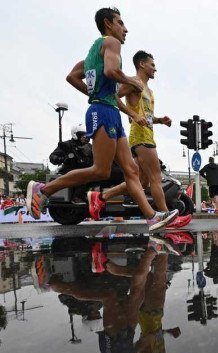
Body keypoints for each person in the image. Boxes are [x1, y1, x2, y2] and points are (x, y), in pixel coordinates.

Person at [27, 7, 177, 231]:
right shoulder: (111, 43)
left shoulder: (91, 54)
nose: (125, 29)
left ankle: (152, 217)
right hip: (102, 112)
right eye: (121, 23)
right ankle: (44, 189)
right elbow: (110, 71)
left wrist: (96, 93)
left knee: (131, 170)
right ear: (108, 23)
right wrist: (131, 81)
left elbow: (72, 76)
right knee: (101, 170)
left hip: (109, 110)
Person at [88, 50, 189, 228]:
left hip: (146, 134)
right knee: (156, 178)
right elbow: (112, 96)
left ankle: (101, 196)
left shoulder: (148, 89)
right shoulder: (134, 83)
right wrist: (133, 114)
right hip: (141, 137)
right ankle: (167, 218)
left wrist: (159, 120)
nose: (155, 69)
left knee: (140, 181)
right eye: (152, 65)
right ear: (142, 64)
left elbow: (146, 116)